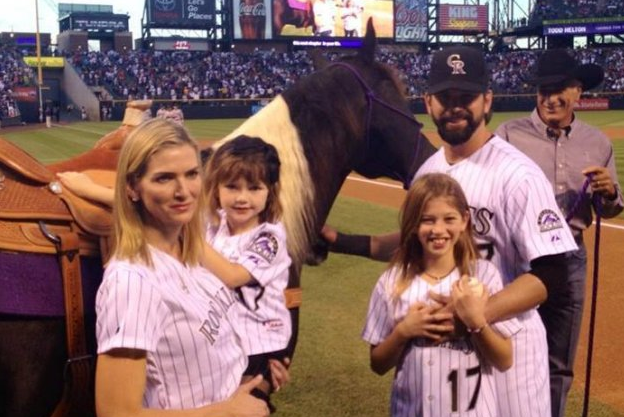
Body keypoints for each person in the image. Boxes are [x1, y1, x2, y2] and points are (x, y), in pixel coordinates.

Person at [324, 46, 578, 417]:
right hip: (444, 361)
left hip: (511, 352)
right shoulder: (428, 173)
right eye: (446, 97)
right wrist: (340, 241)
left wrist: (475, 315)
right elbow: (417, 242)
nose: (455, 106)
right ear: (428, 103)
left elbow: (552, 274)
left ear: (487, 101)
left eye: (467, 97)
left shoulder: (518, 175)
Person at [93, 118, 276, 416]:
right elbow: (116, 413)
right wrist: (226, 411)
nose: (184, 191)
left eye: (192, 174)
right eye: (164, 178)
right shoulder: (132, 283)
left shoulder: (192, 252)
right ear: (132, 188)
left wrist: (250, 374)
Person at [495, 48, 624, 417]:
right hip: (520, 259)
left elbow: (609, 210)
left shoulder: (597, 143)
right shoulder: (508, 135)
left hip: (570, 257)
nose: (550, 98)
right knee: (510, 349)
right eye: (543, 90)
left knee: (559, 361)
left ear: (577, 92)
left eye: (560, 89)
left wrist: (609, 192)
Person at [363, 173, 520, 417]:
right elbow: (378, 364)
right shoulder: (393, 282)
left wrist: (475, 322)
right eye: (427, 220)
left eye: (449, 219)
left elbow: (504, 359)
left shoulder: (483, 276)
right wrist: (404, 331)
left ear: (464, 220)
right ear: (413, 224)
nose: (438, 230)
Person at [202, 135, 292, 411]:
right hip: (227, 340)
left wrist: (185, 240)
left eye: (254, 188)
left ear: (269, 192)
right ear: (216, 189)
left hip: (259, 346)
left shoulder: (269, 237)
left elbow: (233, 276)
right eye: (232, 186)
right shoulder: (216, 227)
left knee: (243, 409)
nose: (242, 198)